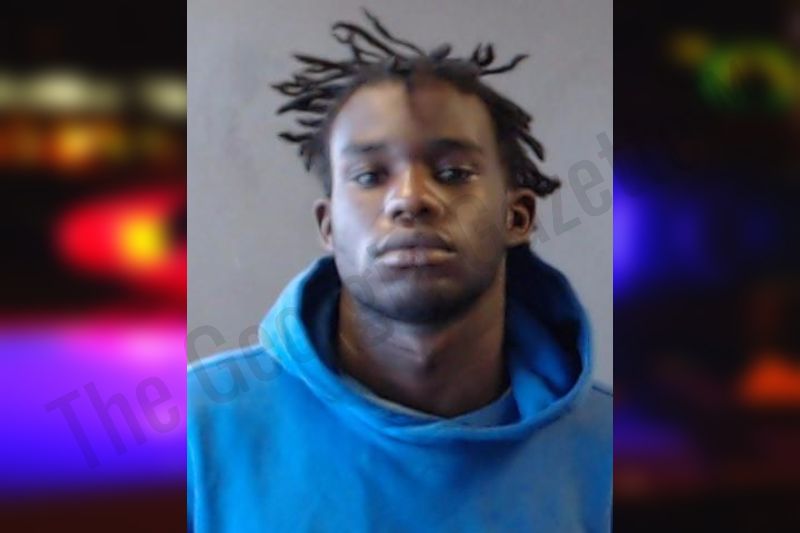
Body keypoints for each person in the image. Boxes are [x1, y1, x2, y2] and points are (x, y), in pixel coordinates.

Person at [188, 10, 611, 532]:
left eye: (453, 172)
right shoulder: (194, 433)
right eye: (370, 176)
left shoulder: (613, 451)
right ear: (328, 226)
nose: (410, 198)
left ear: (516, 217)